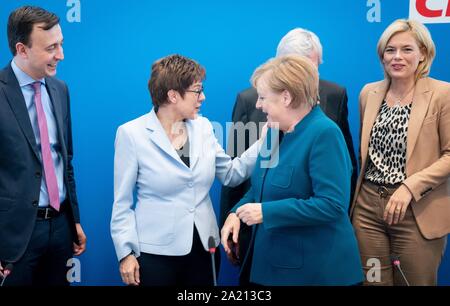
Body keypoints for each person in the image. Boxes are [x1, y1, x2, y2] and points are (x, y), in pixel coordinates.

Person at [220, 27, 357, 284]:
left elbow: (332, 204)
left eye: (263, 97)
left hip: (315, 271)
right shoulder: (272, 132)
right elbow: (258, 188)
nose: (258, 105)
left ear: (285, 97)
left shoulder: (325, 133)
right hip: (271, 265)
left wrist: (265, 212)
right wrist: (235, 213)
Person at [111, 54, 262, 286]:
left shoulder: (203, 127)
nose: (203, 97)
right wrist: (126, 253)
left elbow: (232, 174)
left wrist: (265, 142)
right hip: (155, 255)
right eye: (197, 91)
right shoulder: (131, 134)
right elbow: (122, 204)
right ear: (173, 95)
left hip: (204, 250)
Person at [351, 19, 450, 286]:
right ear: (381, 56)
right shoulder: (368, 94)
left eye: (407, 49)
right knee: (372, 282)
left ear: (423, 54)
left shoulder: (443, 94)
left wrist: (409, 187)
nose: (397, 57)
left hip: (417, 210)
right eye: (390, 50)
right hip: (368, 210)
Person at [0, 6, 86, 286]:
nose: (60, 55)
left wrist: (73, 221)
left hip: (60, 230)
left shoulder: (60, 90)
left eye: (60, 44)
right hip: (13, 238)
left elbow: (65, 160)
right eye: (51, 47)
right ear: (22, 49)